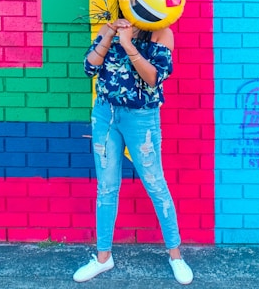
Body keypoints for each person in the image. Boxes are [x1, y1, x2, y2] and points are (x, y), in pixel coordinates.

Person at [73, 14, 194, 285]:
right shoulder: (111, 27)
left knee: (155, 184)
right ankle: (103, 258)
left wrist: (128, 45)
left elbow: (153, 78)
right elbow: (90, 68)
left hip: (141, 119)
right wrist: (108, 34)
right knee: (106, 188)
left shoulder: (161, 33)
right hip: (105, 114)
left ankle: (176, 256)